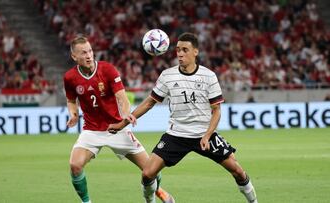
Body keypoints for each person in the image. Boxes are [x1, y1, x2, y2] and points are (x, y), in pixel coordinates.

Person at [108, 33, 258, 203]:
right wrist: (122, 123)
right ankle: (150, 201)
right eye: (178, 50)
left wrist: (208, 135)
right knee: (147, 173)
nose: (180, 54)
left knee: (237, 170)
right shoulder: (167, 75)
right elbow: (150, 102)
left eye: (185, 50)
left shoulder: (209, 76)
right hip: (176, 135)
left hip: (203, 135)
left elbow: (216, 110)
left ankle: (254, 201)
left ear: (195, 52)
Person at [63, 36, 175, 203]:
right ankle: (86, 202)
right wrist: (73, 114)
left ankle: (158, 191)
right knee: (75, 165)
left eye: (90, 51)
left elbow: (122, 98)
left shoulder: (107, 69)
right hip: (92, 130)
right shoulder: (70, 77)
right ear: (74, 57)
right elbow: (71, 100)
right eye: (83, 53)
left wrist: (125, 114)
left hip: (117, 128)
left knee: (151, 170)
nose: (88, 55)